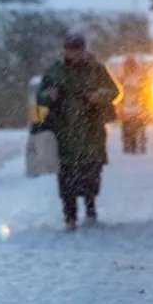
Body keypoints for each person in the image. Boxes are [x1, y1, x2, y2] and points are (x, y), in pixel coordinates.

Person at [36, 33, 122, 230]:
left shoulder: (96, 69)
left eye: (76, 50)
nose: (72, 54)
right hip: (63, 130)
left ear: (83, 50)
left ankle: (90, 208)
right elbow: (40, 97)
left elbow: (114, 91)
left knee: (91, 173)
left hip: (91, 131)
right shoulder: (55, 70)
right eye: (69, 50)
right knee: (66, 176)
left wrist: (97, 96)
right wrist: (49, 96)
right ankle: (70, 215)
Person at [118, 55, 149, 154]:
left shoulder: (141, 78)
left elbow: (148, 92)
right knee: (127, 129)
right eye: (128, 65)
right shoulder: (121, 79)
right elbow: (117, 94)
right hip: (126, 109)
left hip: (139, 108)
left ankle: (140, 146)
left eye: (132, 65)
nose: (130, 67)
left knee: (140, 128)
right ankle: (128, 146)